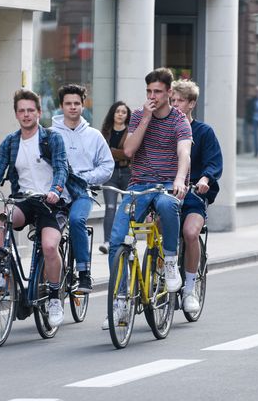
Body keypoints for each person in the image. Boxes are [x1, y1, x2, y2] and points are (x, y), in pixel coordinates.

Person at [0, 89, 86, 328]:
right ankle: (4, 275)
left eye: (30, 110)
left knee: (49, 246)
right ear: (16, 114)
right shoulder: (10, 141)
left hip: (51, 202)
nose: (26, 115)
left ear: (39, 112)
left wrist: (56, 190)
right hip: (25, 200)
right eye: (21, 111)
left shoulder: (51, 138)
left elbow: (61, 168)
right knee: (1, 220)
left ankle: (55, 297)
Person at [103, 68, 192, 329]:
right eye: (149, 91)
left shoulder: (179, 120)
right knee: (117, 241)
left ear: (169, 93)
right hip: (139, 185)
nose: (153, 96)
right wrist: (146, 118)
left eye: (158, 92)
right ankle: (120, 299)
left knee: (167, 205)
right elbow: (129, 150)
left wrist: (179, 179)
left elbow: (184, 152)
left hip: (166, 185)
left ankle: (171, 262)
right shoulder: (140, 115)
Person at [51, 84, 113, 292]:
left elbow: (108, 166)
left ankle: (84, 273)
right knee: (47, 231)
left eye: (77, 103)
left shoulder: (94, 135)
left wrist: (86, 178)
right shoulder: (49, 134)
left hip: (83, 193)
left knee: (77, 220)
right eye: (68, 103)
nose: (72, 107)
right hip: (56, 192)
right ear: (61, 106)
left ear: (83, 106)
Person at [171, 79, 223, 313]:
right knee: (157, 234)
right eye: (172, 101)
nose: (175, 105)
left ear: (192, 103)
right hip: (168, 192)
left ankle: (189, 289)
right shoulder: (164, 129)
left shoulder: (204, 131)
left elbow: (214, 162)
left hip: (193, 193)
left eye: (180, 101)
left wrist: (204, 179)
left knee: (190, 233)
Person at [99, 101, 132, 255]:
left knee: (127, 208)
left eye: (123, 112)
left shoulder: (131, 132)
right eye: (117, 111)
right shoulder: (105, 132)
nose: (120, 114)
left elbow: (128, 153)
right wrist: (118, 152)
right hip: (110, 173)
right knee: (110, 208)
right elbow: (101, 152)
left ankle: (128, 239)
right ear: (113, 113)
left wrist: (113, 152)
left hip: (127, 172)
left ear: (127, 115)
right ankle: (107, 241)